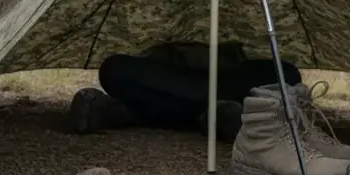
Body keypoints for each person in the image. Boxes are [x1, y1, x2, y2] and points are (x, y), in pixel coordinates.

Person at [68, 41, 302, 141]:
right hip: (172, 74)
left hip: (227, 76)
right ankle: (215, 115)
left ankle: (120, 112)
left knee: (287, 74)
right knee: (113, 68)